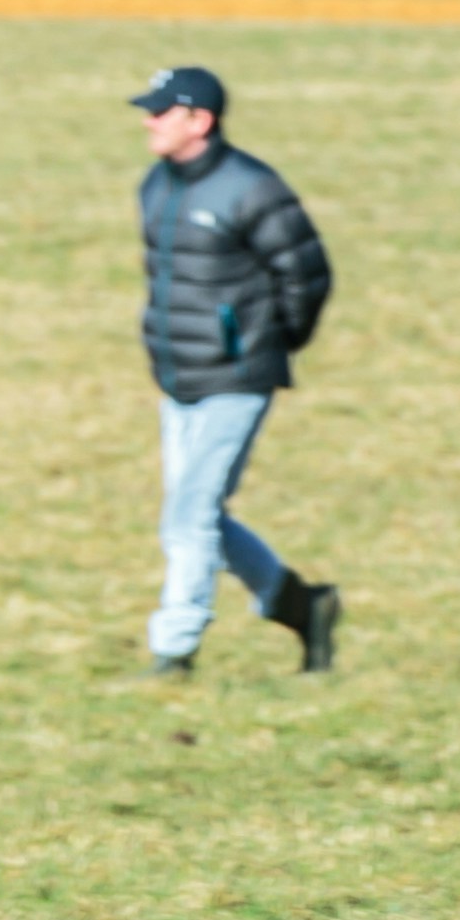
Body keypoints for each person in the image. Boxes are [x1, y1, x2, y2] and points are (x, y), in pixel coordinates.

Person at [132, 63, 337, 677]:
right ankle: (300, 606)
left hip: (238, 376)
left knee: (188, 517)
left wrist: (265, 343)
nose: (148, 120)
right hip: (177, 374)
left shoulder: (252, 188)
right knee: (200, 515)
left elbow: (308, 274)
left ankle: (175, 650)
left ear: (200, 119)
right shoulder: (157, 185)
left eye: (162, 111)